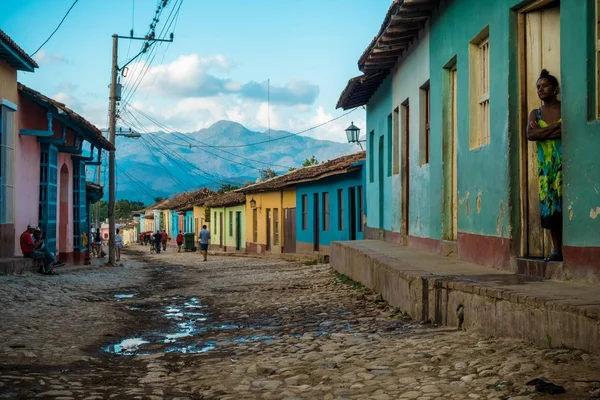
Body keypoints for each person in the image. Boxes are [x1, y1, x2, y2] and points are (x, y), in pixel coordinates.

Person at [527, 68, 563, 262]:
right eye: (538, 87)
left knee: (564, 204)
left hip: (564, 167)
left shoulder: (564, 108)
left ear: (555, 88)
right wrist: (555, 128)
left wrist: (543, 132)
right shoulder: (535, 113)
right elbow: (530, 135)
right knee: (550, 209)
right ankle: (557, 250)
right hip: (545, 171)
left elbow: (567, 130)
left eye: (545, 85)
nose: (540, 89)